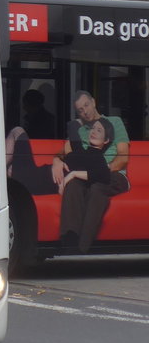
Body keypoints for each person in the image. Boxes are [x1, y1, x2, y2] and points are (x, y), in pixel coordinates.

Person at [52, 91, 131, 253]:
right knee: (73, 185)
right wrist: (56, 161)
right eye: (80, 110)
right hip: (88, 174)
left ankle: (82, 248)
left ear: (93, 102)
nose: (85, 112)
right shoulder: (82, 131)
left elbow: (123, 157)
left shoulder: (114, 122)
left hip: (114, 174)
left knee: (97, 188)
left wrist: (100, 170)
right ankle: (69, 240)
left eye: (86, 106)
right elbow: (62, 152)